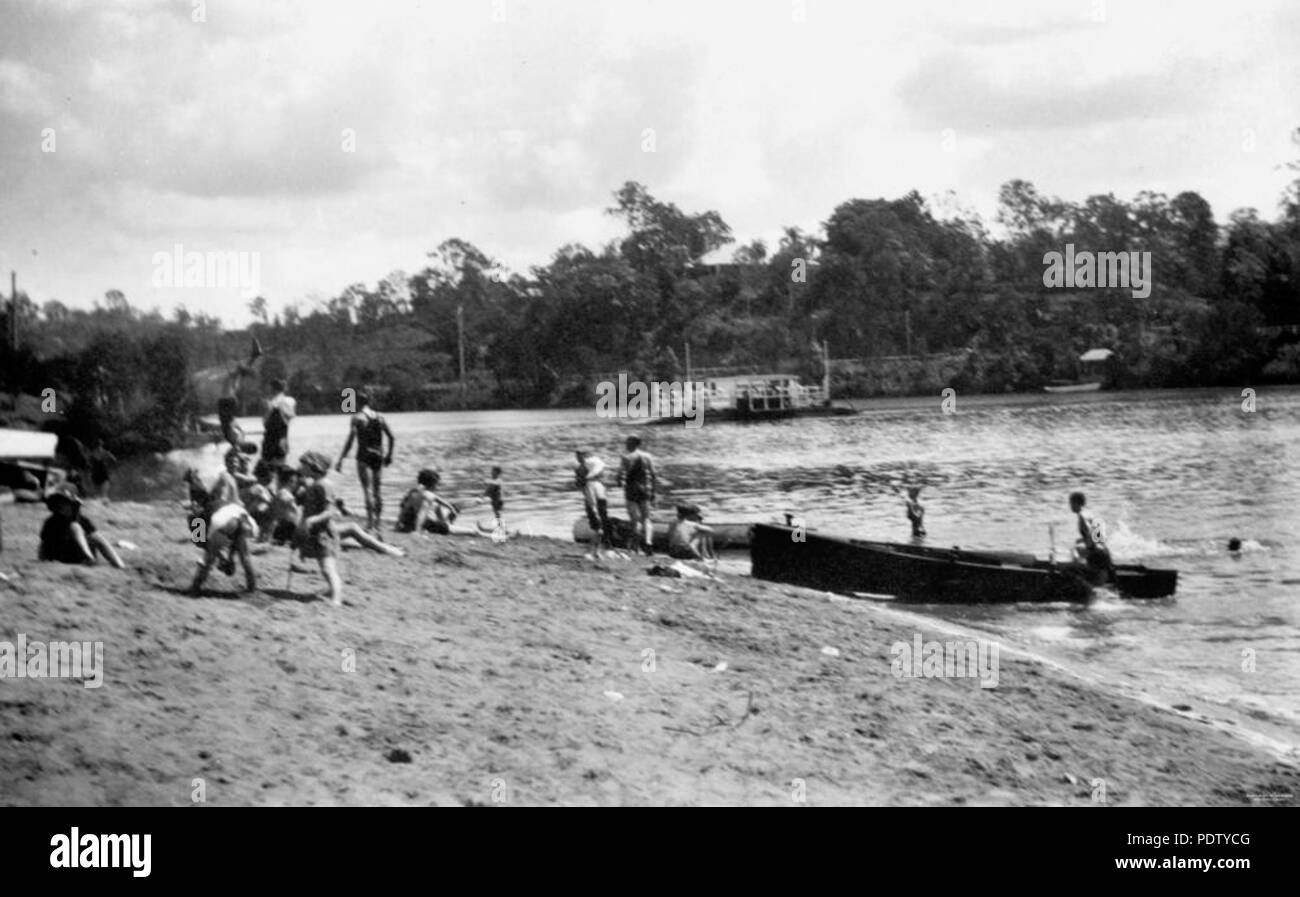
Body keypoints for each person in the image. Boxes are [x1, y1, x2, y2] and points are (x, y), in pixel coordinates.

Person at [336, 392, 394, 533]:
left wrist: (341, 459)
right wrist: (389, 456)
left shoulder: (357, 418)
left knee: (367, 489)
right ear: (369, 402)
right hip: (378, 455)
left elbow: (351, 440)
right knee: (377, 490)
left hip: (364, 455)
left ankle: (370, 523)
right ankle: (378, 523)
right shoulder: (380, 417)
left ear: (356, 403)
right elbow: (392, 437)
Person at [39, 483, 125, 568]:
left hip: (77, 555)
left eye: (66, 503)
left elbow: (95, 537)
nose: (61, 506)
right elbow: (43, 544)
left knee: (97, 537)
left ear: (73, 505)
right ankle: (88, 557)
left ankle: (119, 564)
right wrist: (43, 560)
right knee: (75, 527)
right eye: (59, 503)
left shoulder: (83, 520)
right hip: (61, 555)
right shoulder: (51, 522)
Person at [298, 451, 344, 605]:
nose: (300, 468)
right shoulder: (313, 485)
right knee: (323, 566)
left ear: (313, 466)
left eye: (303, 465)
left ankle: (336, 598)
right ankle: (332, 590)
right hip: (316, 533)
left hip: (325, 533)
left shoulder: (325, 485)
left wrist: (313, 519)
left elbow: (330, 511)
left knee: (328, 567)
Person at [217, 337, 263, 447]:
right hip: (229, 402)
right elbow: (242, 368)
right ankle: (254, 356)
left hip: (228, 403)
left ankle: (254, 357)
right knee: (229, 423)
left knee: (227, 425)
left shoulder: (234, 376)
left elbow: (239, 368)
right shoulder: (238, 377)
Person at [616, 436, 657, 556]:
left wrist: (618, 481)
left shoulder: (626, 457)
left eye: (627, 443)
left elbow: (619, 476)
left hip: (631, 490)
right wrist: (653, 491)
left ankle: (636, 547)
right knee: (647, 518)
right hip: (645, 489)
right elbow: (654, 475)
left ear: (632, 444)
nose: (626, 445)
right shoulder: (647, 456)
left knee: (635, 520)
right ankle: (648, 542)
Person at [574, 450, 611, 559]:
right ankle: (599, 550)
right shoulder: (599, 481)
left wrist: (594, 512)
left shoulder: (588, 480)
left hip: (593, 501)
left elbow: (590, 499)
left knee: (597, 527)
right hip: (600, 500)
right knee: (601, 526)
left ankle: (592, 551)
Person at [1069, 491, 1113, 578]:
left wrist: (1090, 548)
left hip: (1096, 553)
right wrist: (1083, 540)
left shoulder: (1082, 516)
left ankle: (1076, 574)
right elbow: (1099, 534)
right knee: (1077, 543)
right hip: (1104, 551)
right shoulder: (1090, 514)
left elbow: (1089, 532)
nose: (1070, 506)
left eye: (1071, 503)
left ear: (1076, 503)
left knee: (1074, 549)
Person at [261, 378, 297, 469]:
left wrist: (269, 409)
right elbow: (290, 417)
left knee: (267, 469)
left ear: (272, 389)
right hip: (282, 440)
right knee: (280, 468)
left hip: (270, 441)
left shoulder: (270, 402)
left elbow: (265, 423)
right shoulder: (290, 401)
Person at [484, 466, 505, 531]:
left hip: (498, 500)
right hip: (494, 500)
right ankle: (499, 526)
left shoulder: (498, 481)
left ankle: (500, 527)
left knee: (497, 513)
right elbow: (488, 489)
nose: (491, 473)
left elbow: (492, 487)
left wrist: (485, 494)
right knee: (496, 513)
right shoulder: (493, 481)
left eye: (493, 472)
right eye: (492, 472)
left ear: (497, 474)